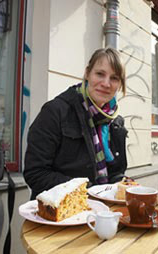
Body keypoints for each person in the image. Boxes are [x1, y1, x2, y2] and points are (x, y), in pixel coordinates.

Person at [24, 48, 128, 200]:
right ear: (87, 73)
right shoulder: (55, 112)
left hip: (101, 209)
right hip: (59, 213)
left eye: (114, 78)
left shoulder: (116, 122)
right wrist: (88, 191)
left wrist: (124, 185)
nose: (106, 83)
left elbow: (115, 173)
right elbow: (36, 173)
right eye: (100, 74)